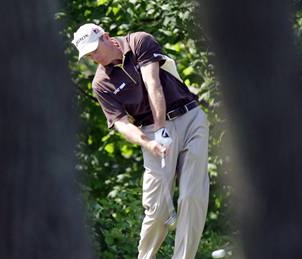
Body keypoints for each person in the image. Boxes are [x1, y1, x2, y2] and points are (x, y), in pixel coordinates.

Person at [71, 23, 209, 259]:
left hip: (189, 117)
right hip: (150, 131)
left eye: (95, 49)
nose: (94, 57)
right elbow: (122, 124)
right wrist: (150, 142)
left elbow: (152, 83)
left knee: (191, 196)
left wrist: (161, 129)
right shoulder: (101, 84)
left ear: (106, 36)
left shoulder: (139, 42)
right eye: (89, 54)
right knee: (156, 210)